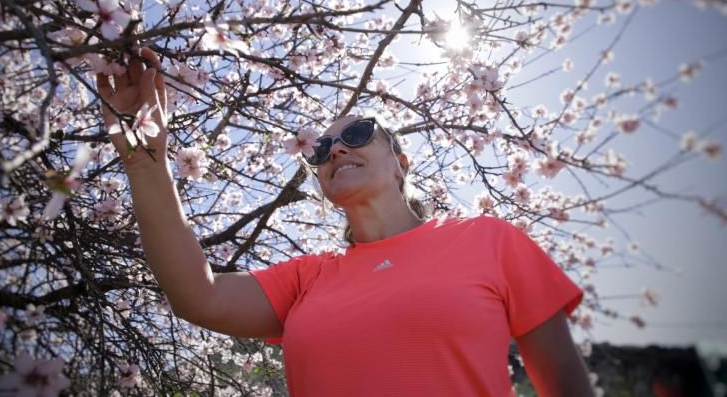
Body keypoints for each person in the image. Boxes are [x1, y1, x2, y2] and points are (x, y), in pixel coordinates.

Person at [98, 47, 595, 396]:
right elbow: (196, 295)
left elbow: (567, 387)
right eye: (319, 149)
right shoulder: (306, 280)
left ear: (402, 161)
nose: (335, 148)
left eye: (358, 134)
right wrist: (146, 162)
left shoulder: (490, 240)